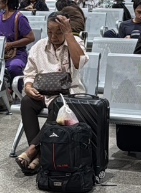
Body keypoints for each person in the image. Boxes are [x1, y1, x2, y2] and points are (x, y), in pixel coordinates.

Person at [15, 12, 88, 173]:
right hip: (43, 91)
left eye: (59, 32)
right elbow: (29, 73)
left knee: (58, 104)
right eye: (50, 32)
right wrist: (28, 87)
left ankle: (33, 150)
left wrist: (69, 35)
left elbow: (79, 62)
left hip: (68, 94)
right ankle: (40, 154)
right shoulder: (39, 46)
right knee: (27, 102)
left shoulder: (75, 42)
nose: (53, 37)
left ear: (66, 30)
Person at [0, 0, 35, 79]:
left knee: (14, 67)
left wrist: (11, 44)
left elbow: (30, 38)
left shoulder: (19, 18)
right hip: (0, 53)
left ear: (6, 1)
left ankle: (18, 87)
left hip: (17, 54)